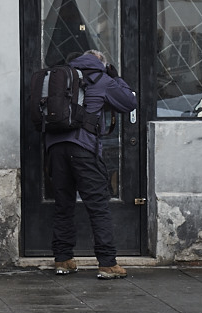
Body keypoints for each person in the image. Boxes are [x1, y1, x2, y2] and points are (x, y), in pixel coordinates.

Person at [44, 49, 136, 279]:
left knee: (63, 205)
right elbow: (129, 102)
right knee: (98, 206)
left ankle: (63, 260)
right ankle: (107, 264)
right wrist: (116, 77)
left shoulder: (61, 77)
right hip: (83, 148)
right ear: (101, 63)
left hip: (55, 148)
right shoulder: (103, 79)